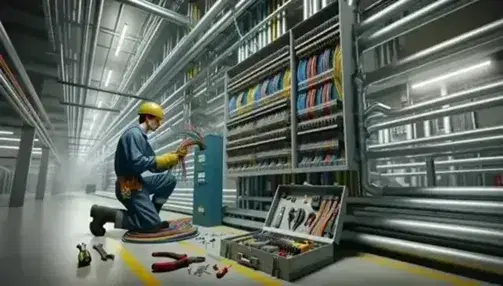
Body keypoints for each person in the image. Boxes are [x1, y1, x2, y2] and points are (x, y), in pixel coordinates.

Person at [89, 102, 188, 236]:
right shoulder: (133, 135)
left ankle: (151, 214)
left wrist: (172, 157)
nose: (159, 124)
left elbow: (153, 166)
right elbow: (137, 163)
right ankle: (106, 214)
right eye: (157, 120)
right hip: (127, 185)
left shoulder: (141, 138)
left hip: (138, 182)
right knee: (151, 225)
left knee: (169, 180)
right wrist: (162, 160)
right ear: (148, 118)